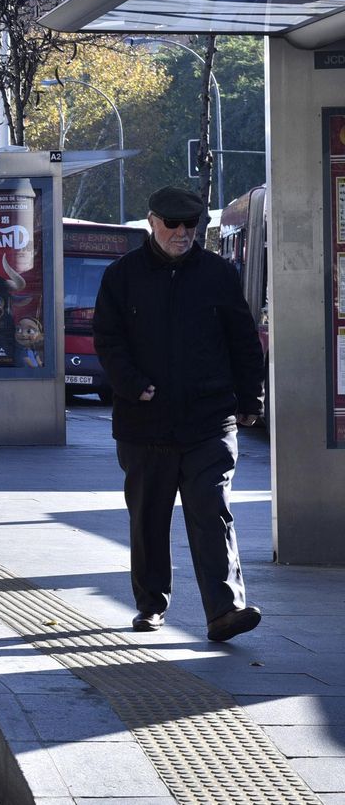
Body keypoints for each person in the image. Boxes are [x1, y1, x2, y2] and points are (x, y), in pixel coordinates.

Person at [93, 186, 266, 642]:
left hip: (209, 420)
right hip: (144, 422)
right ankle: (151, 605)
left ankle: (225, 610)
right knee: (149, 519)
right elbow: (108, 341)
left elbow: (243, 341)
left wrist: (251, 400)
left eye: (192, 225)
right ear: (152, 221)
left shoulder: (218, 274)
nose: (183, 233)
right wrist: (133, 385)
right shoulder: (122, 276)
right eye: (173, 224)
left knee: (212, 509)